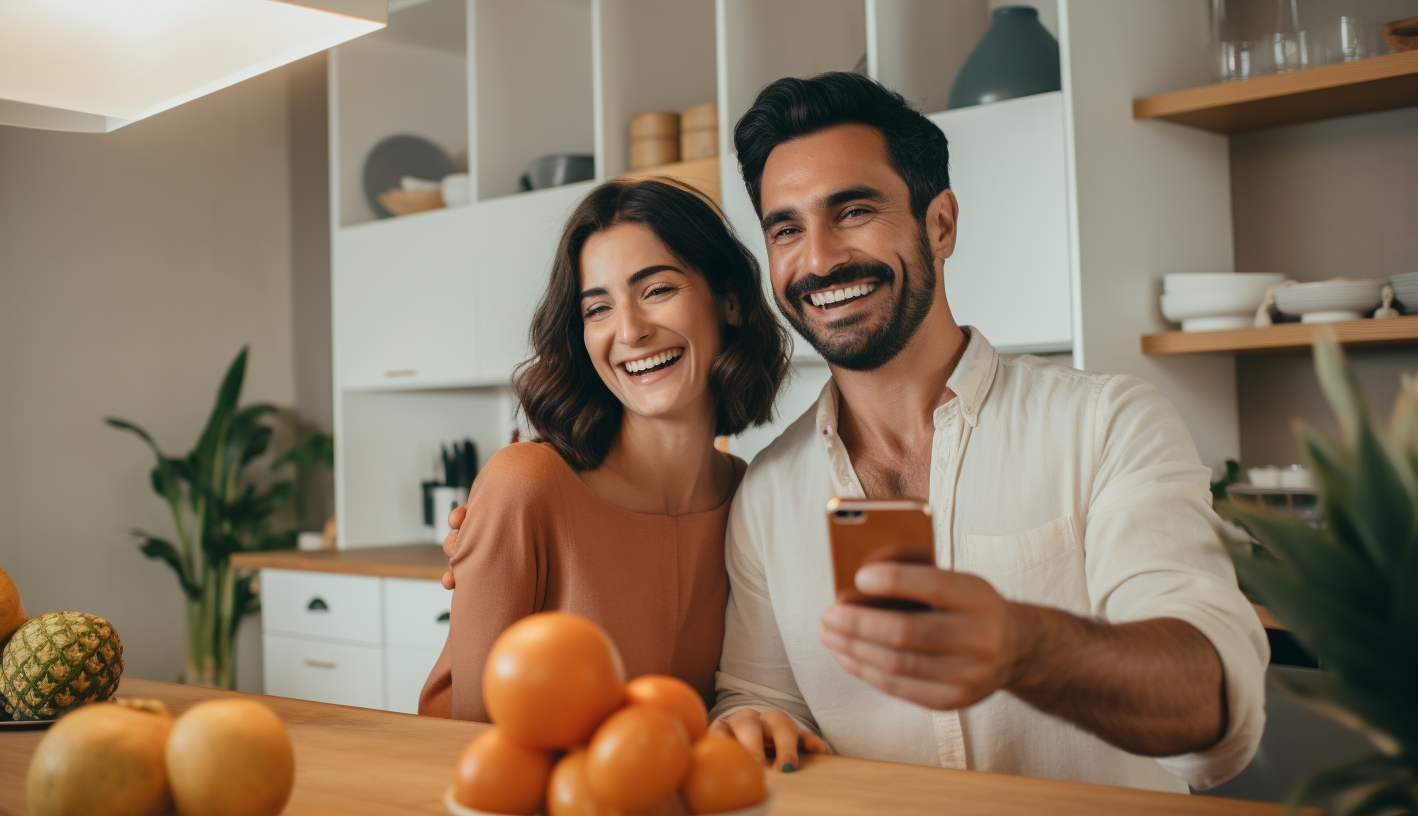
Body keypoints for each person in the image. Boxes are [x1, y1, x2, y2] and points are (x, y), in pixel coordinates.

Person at [704, 72, 1269, 793]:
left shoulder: (1108, 424)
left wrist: (1022, 647)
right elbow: (763, 701)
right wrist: (749, 721)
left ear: (940, 224)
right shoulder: (767, 495)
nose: (817, 259)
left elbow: (1212, 703)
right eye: (786, 228)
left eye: (852, 211)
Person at [418, 179, 791, 720]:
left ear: (729, 299)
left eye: (657, 290)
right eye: (598, 309)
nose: (630, 330)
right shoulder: (526, 485)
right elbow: (474, 743)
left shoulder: (752, 496)